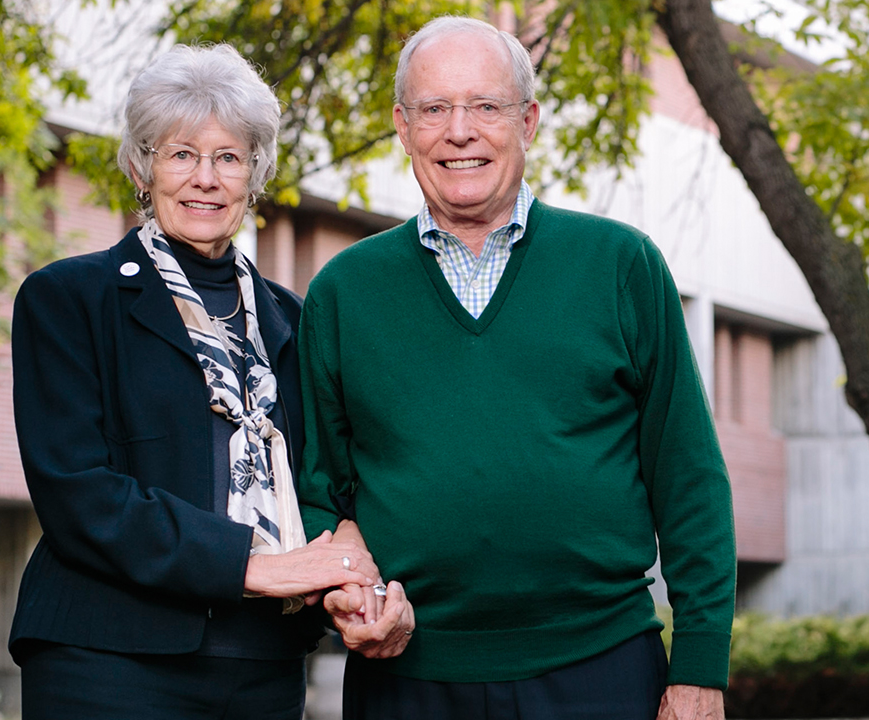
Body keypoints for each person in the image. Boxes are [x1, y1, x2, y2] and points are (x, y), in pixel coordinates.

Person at [297, 16, 736, 720]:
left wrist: (701, 670)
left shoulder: (621, 266)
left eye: (486, 107)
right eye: (435, 109)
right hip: (406, 680)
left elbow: (689, 479)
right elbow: (317, 488)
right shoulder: (343, 291)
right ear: (403, 127)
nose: (460, 131)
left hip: (603, 670)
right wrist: (347, 591)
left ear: (527, 122)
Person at [8, 43, 411, 720]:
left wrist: (355, 584)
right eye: (180, 154)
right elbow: (78, 494)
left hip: (262, 664)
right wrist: (252, 567)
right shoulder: (69, 299)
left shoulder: (292, 319)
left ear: (255, 174)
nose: (205, 178)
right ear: (142, 167)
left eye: (228, 157)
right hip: (107, 659)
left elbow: (325, 487)